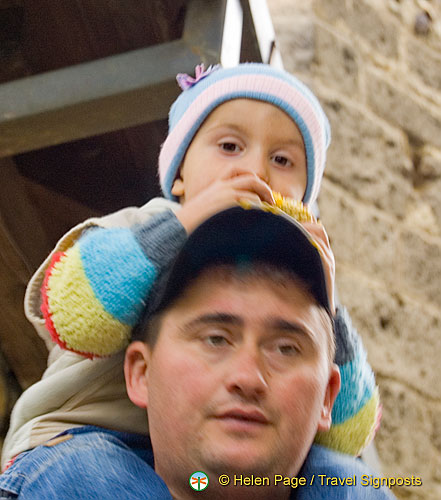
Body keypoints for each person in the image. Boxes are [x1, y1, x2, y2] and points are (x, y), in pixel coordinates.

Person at [2, 64, 378, 471]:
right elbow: (74, 316)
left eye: (283, 159)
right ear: (179, 175)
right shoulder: (144, 227)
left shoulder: (298, 276)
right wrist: (184, 224)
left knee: (339, 475)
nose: (255, 171)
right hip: (84, 442)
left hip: (203, 473)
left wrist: (329, 307)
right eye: (230, 147)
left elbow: (345, 436)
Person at [0, 206, 394, 499]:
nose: (247, 377)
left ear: (328, 398)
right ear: (140, 373)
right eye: (216, 339)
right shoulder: (73, 475)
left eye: (286, 348)